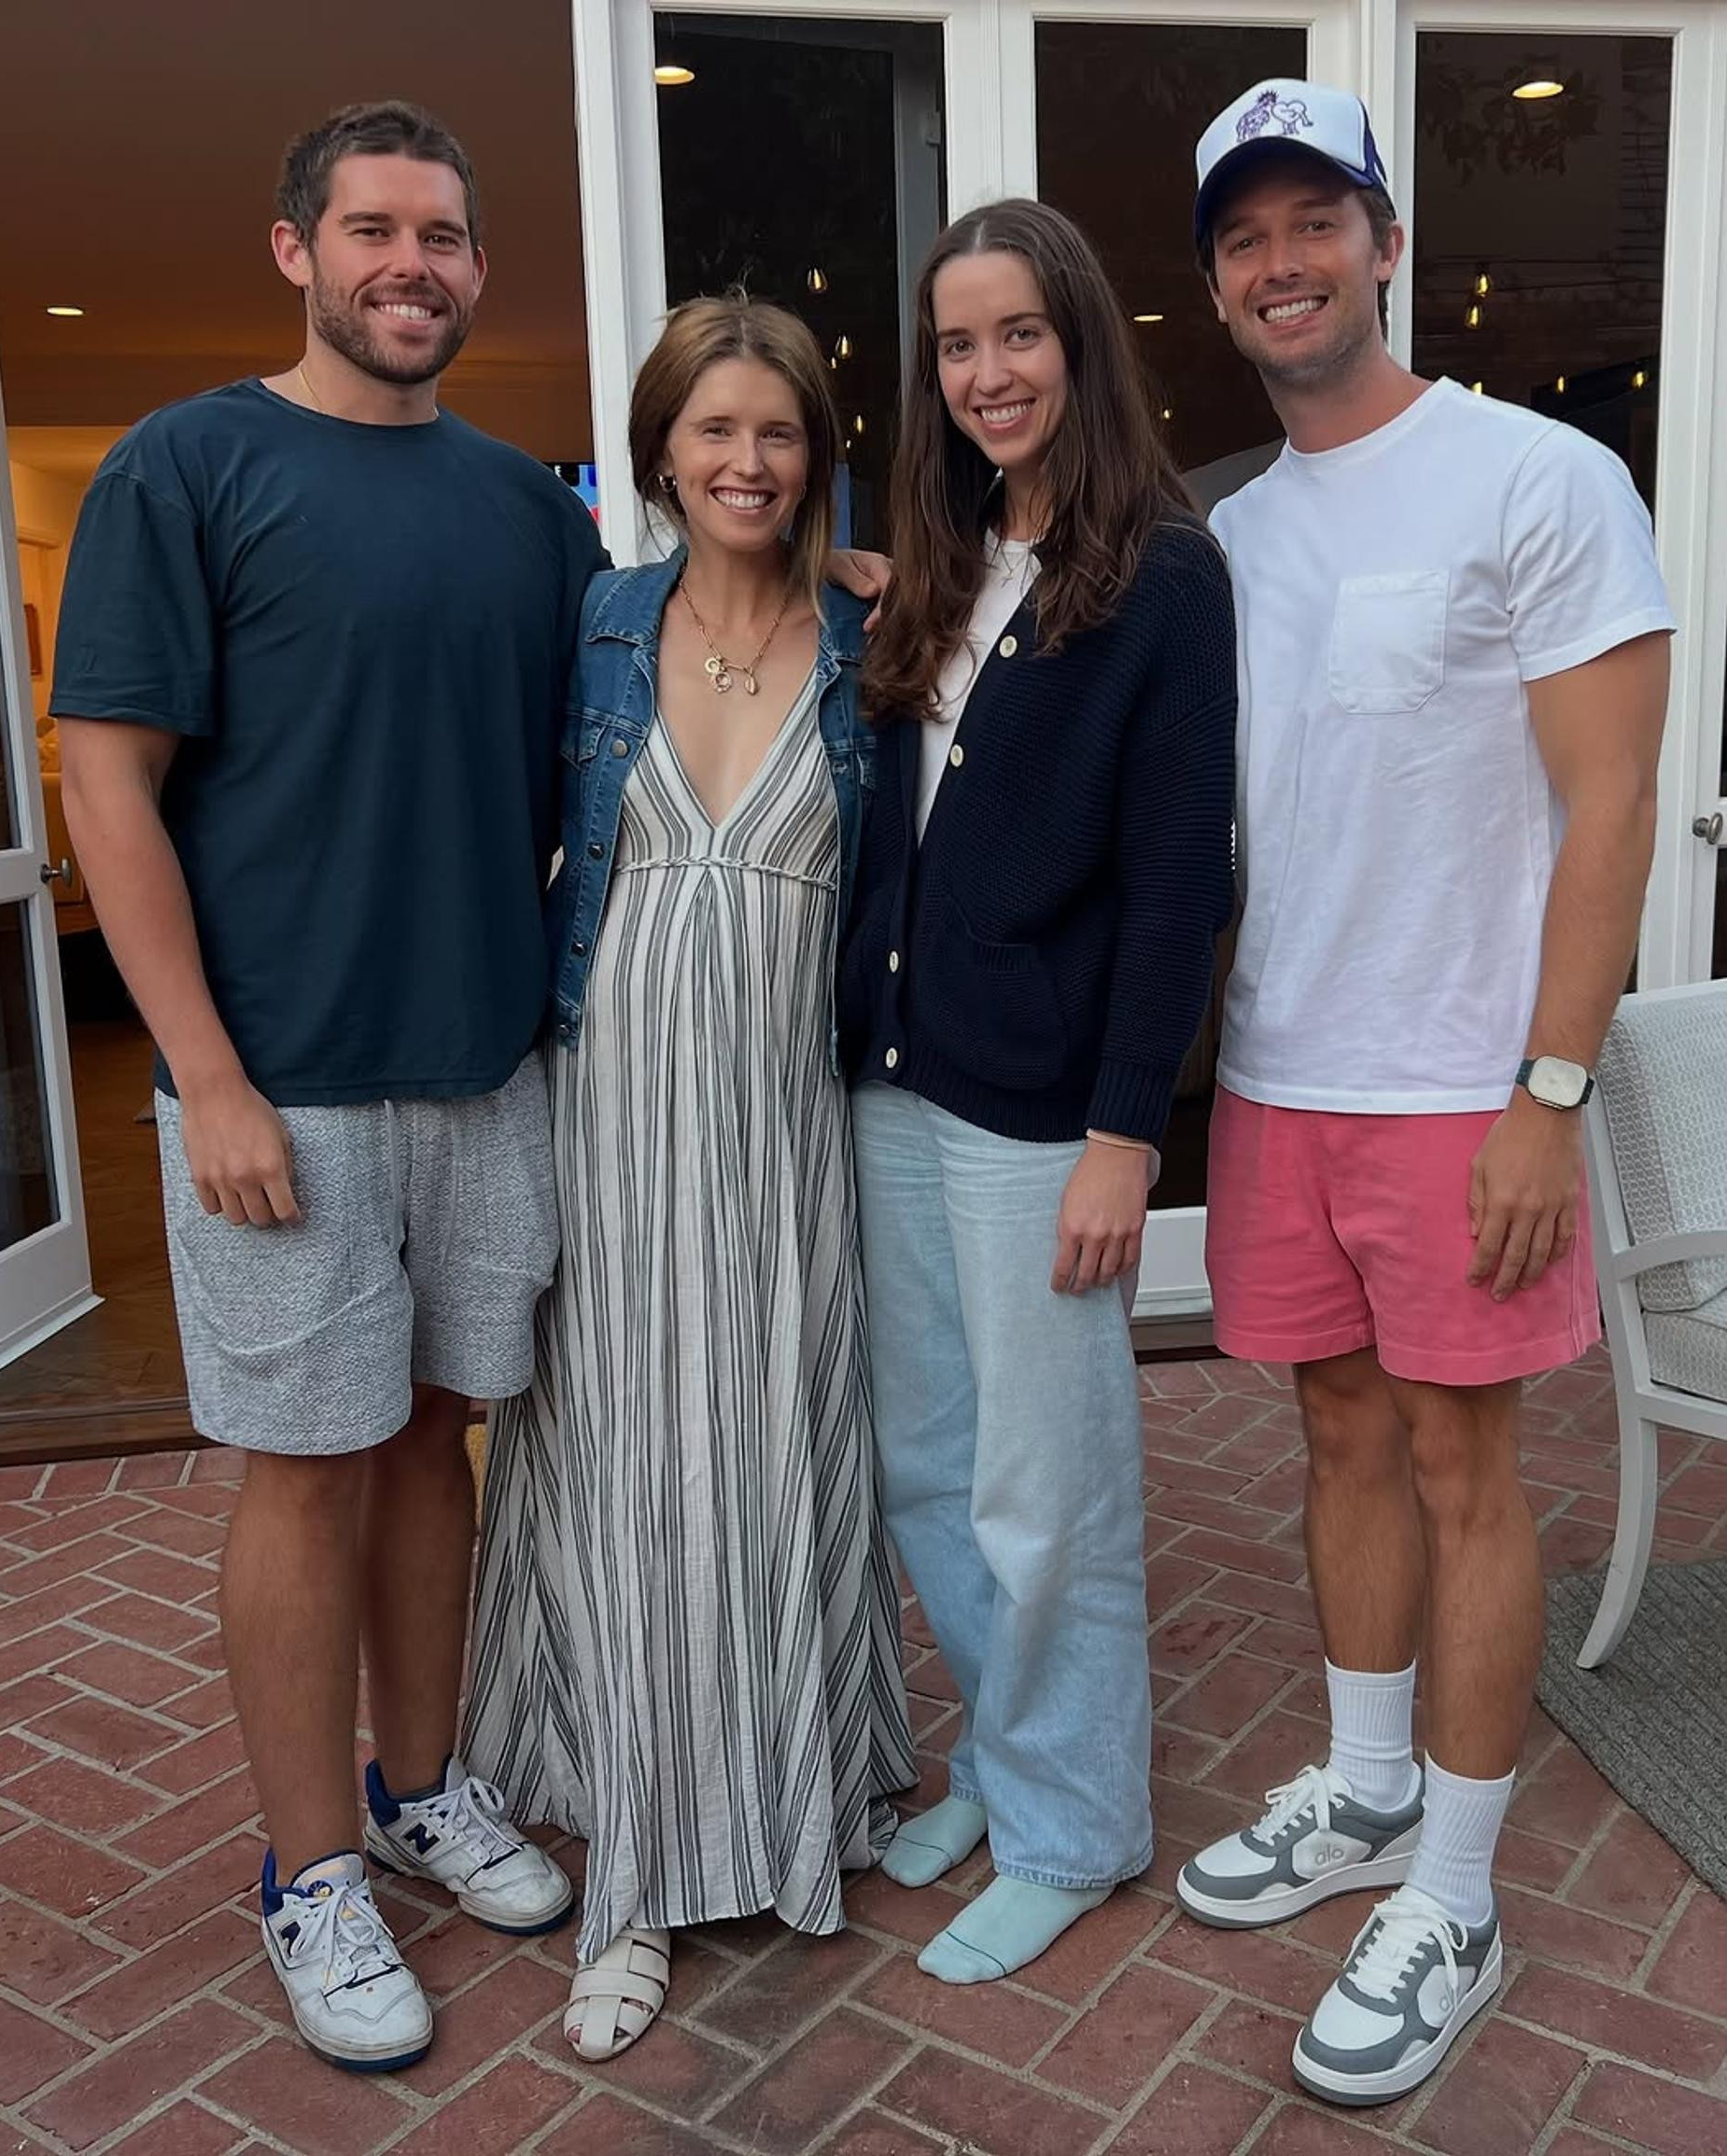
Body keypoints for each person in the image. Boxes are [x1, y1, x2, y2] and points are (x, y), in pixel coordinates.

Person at [49, 101, 607, 2074]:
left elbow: (659, 695)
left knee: (437, 1439)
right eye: (372, 229)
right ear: (296, 250)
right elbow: (106, 780)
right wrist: (203, 1078)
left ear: (477, 266)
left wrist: (843, 579)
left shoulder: (533, 514)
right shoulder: (186, 467)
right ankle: (307, 1874)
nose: (410, 264)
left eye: (440, 235)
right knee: (304, 1468)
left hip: (486, 1069)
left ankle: (422, 1784)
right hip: (280, 1088)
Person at [1179, 79, 1674, 2107]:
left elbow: (1611, 804)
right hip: (1278, 1073)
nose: (1281, 263)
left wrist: (1549, 1089)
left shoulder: (1536, 477)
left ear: (1384, 243)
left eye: (1316, 221)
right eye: (1243, 238)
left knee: (1468, 1470)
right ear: (1217, 283)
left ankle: (1455, 1899)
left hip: (1466, 1089)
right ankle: (1369, 1789)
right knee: (1334, 1439)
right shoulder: (1228, 533)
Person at [460, 294, 916, 2063]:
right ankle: (634, 1882)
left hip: (786, 1125)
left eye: (779, 431)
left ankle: (795, 1777)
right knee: (638, 1470)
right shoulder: (593, 626)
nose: (748, 460)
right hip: (616, 1111)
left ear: (818, 453)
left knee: (775, 1443)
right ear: (660, 449)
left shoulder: (876, 633)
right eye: (715, 428)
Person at [841, 200, 1237, 1986]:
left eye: (1018, 333)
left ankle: (1075, 1824)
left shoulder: (1163, 574)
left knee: (1047, 1482)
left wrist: (1125, 1132)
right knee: (930, 1460)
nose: (987, 371)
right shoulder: (939, 559)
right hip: (894, 1085)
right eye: (956, 343)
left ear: (1078, 342)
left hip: (1041, 1114)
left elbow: (1178, 880)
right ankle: (1004, 1766)